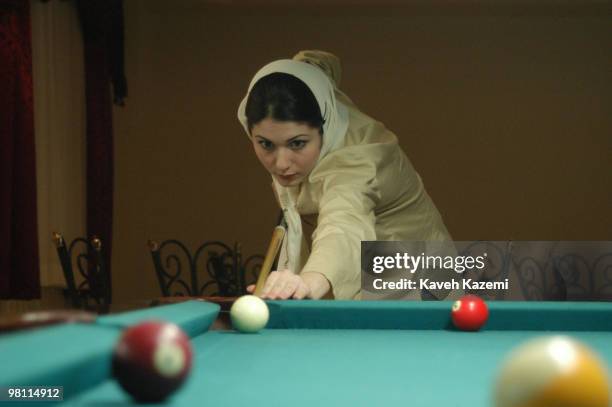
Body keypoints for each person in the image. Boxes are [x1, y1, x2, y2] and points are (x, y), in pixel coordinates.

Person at [238, 50, 454, 300]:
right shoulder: (318, 93)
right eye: (266, 144)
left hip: (422, 282)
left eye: (297, 144)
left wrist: (309, 281)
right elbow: (322, 66)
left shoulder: (357, 161)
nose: (281, 164)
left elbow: (344, 223)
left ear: (325, 126)